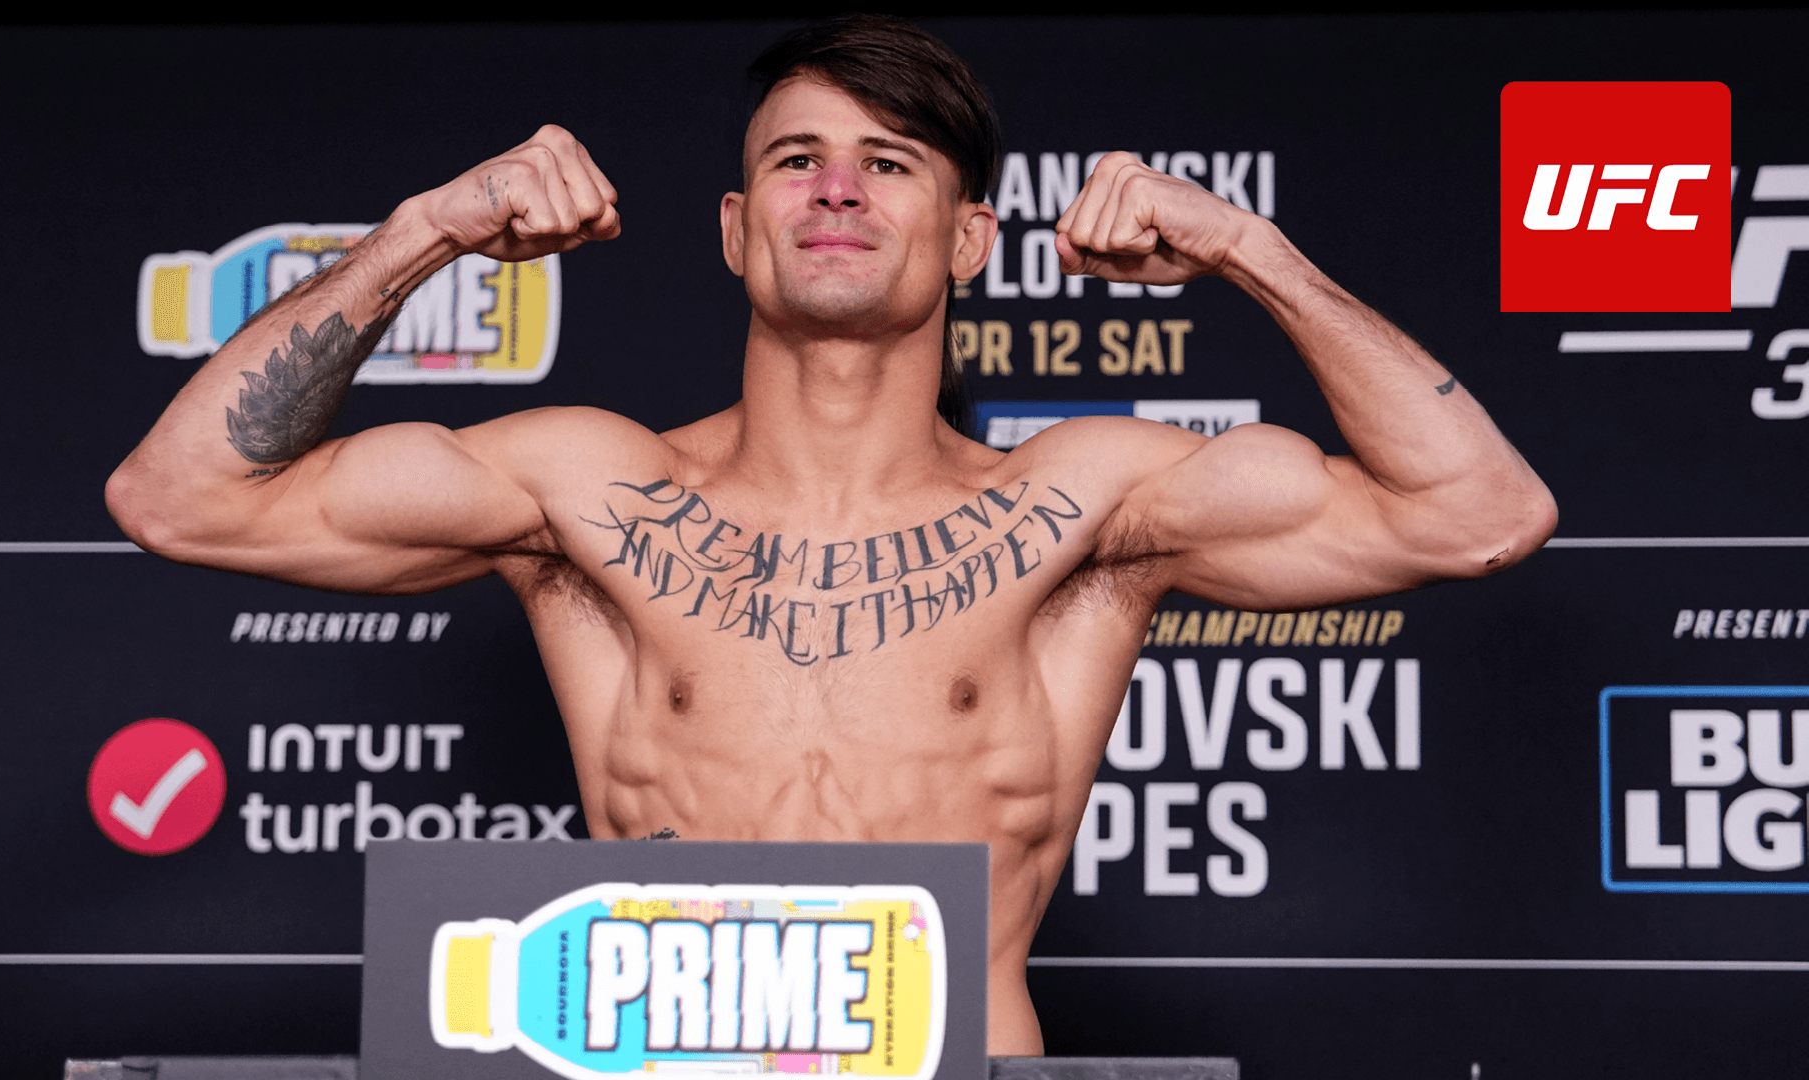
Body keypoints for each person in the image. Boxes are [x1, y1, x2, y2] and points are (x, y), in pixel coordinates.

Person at [106, 15, 1555, 1056]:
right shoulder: (584, 489)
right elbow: (180, 500)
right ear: (739, 229)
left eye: (891, 162)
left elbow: (1482, 514)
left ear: (971, 239)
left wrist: (1250, 248)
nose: (840, 188)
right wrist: (424, 230)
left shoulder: (1080, 504)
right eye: (797, 160)